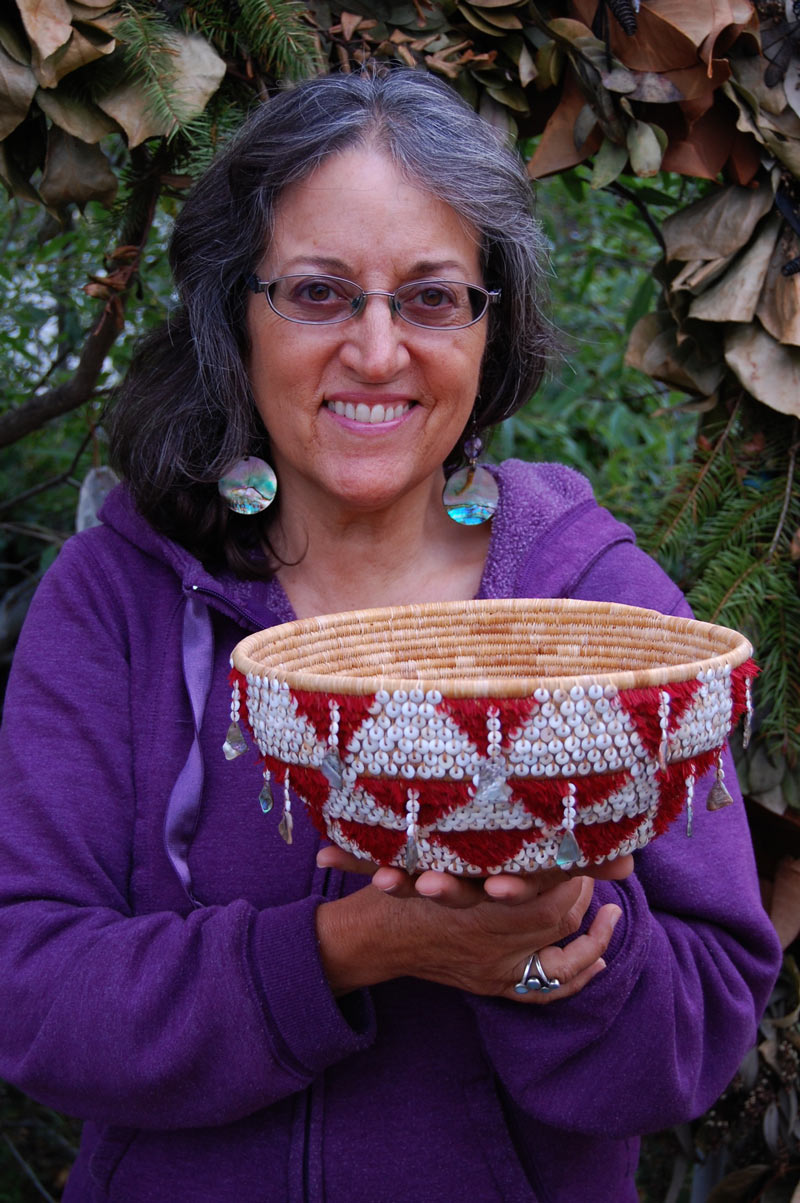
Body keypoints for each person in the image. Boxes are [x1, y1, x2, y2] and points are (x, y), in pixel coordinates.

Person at [0, 67, 780, 1203]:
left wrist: (553, 945)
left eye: (428, 297)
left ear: (488, 324)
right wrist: (353, 947)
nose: (376, 353)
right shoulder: (116, 598)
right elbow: (32, 994)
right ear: (234, 313)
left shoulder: (601, 613)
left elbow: (689, 1043)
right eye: (318, 294)